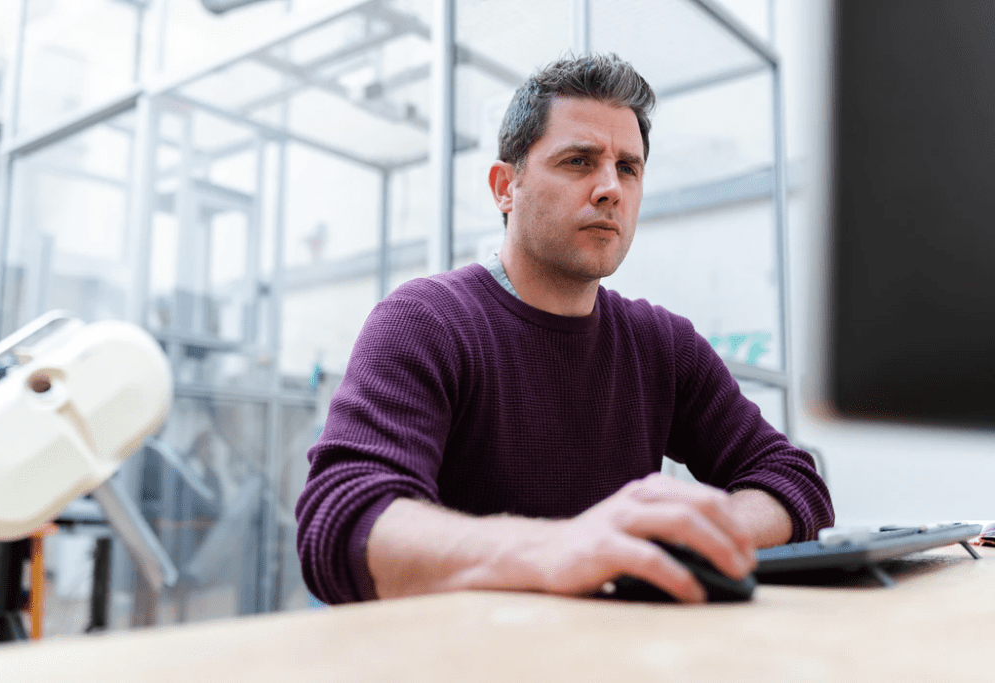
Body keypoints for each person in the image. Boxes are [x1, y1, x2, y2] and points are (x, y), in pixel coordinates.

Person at [296, 53, 833, 606]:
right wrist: (560, 547)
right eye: (579, 161)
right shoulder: (427, 322)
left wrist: (689, 536)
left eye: (628, 167)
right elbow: (342, 523)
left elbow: (791, 478)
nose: (610, 189)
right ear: (505, 186)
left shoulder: (662, 345)